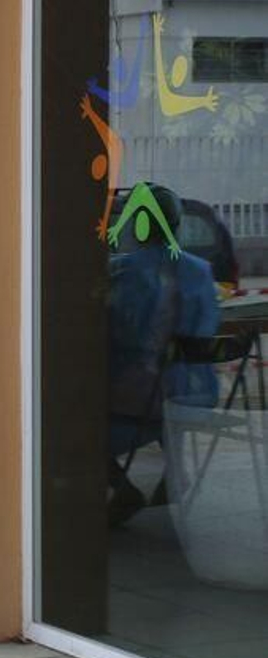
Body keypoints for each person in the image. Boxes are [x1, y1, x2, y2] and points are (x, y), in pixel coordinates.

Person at [105, 184, 221, 525]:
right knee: (168, 386)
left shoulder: (126, 272)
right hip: (197, 391)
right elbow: (205, 328)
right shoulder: (199, 270)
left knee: (71, 421)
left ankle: (124, 489)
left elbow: (123, 332)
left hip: (145, 396)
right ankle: (174, 476)